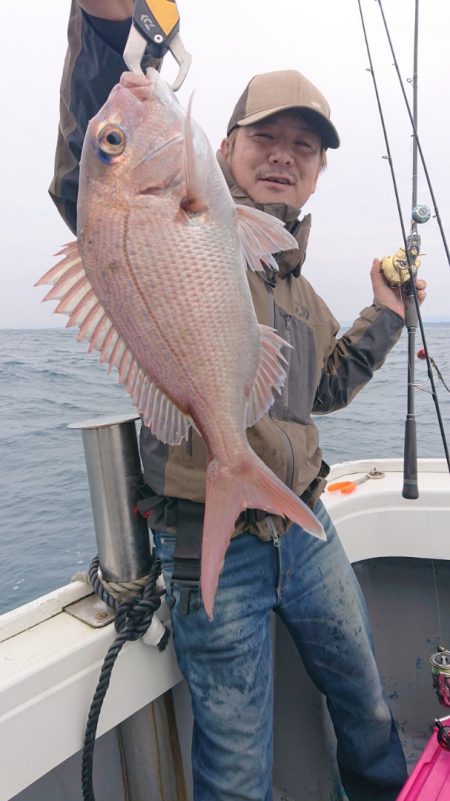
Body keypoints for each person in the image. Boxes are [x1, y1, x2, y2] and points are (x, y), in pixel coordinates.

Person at [50, 4, 428, 800]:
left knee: (366, 706)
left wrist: (387, 314)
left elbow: (325, 385)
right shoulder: (174, 220)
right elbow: (87, 164)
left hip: (306, 523)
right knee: (234, 768)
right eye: (265, 139)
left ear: (321, 172)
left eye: (305, 149)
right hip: (211, 550)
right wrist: (101, 28)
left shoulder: (294, 281)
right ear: (221, 149)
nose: (285, 159)